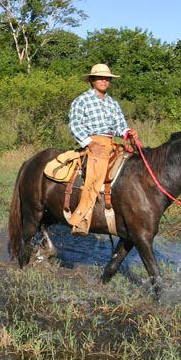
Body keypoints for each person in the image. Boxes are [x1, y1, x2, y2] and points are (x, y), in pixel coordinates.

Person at [67, 63, 137, 236]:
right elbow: (74, 124)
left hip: (112, 143)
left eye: (107, 78)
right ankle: (81, 219)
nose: (104, 81)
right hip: (94, 142)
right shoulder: (82, 100)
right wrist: (89, 143)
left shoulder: (113, 103)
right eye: (100, 78)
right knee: (95, 175)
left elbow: (120, 125)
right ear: (92, 80)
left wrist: (128, 132)